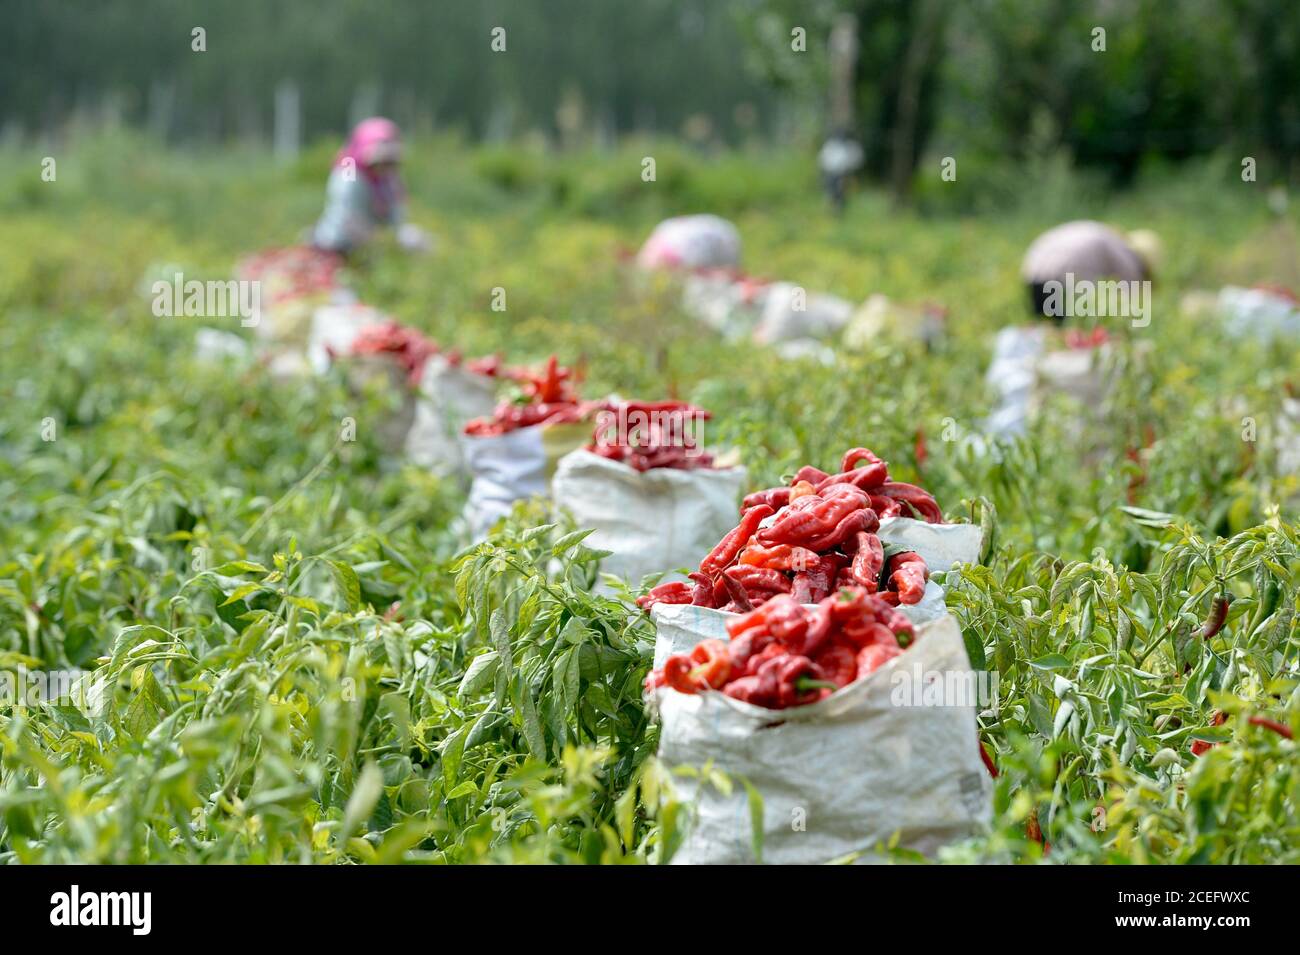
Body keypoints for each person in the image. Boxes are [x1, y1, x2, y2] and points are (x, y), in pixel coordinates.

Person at [985, 222, 1160, 438]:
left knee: (1048, 332)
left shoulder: (1103, 236)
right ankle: (1046, 391)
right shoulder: (1127, 255)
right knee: (1061, 341)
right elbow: (1131, 297)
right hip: (1063, 276)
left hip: (1033, 270)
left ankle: (1034, 383)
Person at [312, 117, 430, 255]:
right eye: (382, 160)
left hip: (371, 243)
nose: (386, 166)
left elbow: (397, 214)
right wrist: (382, 240)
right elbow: (346, 216)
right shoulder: (348, 170)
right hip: (338, 243)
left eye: (390, 161)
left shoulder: (388, 177)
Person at [817, 129, 863, 216]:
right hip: (830, 174)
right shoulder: (830, 146)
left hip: (842, 174)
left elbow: (853, 162)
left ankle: (839, 211)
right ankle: (832, 210)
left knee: (841, 194)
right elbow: (823, 161)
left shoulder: (849, 146)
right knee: (831, 193)